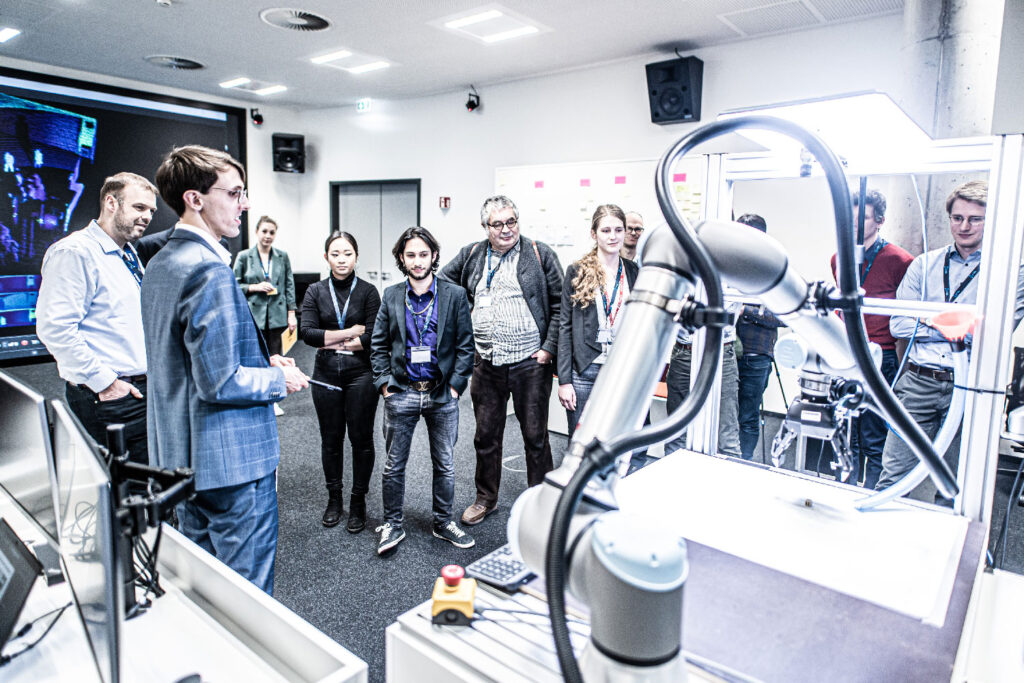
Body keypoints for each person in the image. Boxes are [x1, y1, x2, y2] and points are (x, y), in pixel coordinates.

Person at [142, 145, 308, 593]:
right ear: (195, 199)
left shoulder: (159, 262)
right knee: (246, 595)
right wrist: (280, 378)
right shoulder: (209, 269)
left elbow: (184, 359)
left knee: (202, 588)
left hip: (182, 459)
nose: (245, 204)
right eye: (234, 193)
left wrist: (262, 359)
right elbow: (220, 381)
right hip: (230, 463)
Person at [876, 180, 1024, 497]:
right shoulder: (924, 265)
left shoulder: (1010, 273)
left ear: (992, 220)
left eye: (975, 219)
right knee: (893, 479)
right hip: (918, 383)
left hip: (971, 387)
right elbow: (899, 325)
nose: (964, 226)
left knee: (957, 488)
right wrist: (950, 326)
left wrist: (927, 322)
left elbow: (993, 335)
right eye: (957, 218)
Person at [440, 195, 564, 527]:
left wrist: (549, 348)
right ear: (486, 227)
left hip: (530, 362)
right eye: (498, 224)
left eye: (512, 222)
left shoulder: (540, 254)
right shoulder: (472, 255)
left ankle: (541, 500)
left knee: (535, 436)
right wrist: (465, 322)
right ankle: (486, 499)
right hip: (487, 362)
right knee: (486, 436)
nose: (507, 229)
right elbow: (443, 284)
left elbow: (559, 304)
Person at [36, 172, 156, 464]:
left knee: (149, 483)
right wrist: (105, 383)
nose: (148, 217)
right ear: (111, 203)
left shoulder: (127, 254)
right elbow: (56, 328)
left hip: (138, 390)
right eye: (139, 208)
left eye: (151, 211)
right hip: (109, 395)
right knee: (131, 489)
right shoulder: (75, 252)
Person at [370, 226, 476, 554]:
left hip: (442, 394)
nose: (418, 261)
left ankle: (443, 522)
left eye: (423, 254)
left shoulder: (454, 295)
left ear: (433, 256)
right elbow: (378, 345)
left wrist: (456, 388)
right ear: (401, 258)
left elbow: (465, 347)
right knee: (394, 464)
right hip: (402, 392)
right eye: (411, 255)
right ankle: (393, 524)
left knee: (444, 463)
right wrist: (386, 386)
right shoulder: (390, 295)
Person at [828, 191, 912, 488]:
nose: (853, 224)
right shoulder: (839, 258)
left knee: (873, 435)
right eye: (848, 218)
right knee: (842, 430)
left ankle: (870, 495)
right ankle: (842, 491)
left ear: (879, 221)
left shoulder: (900, 261)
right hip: (845, 353)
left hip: (880, 356)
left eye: (861, 218)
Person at [299, 231, 381, 532]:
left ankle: (358, 500)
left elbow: (373, 336)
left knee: (361, 439)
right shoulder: (315, 291)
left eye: (347, 253)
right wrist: (351, 332)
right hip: (325, 375)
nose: (342, 259)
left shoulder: (369, 292)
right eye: (335, 253)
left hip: (361, 373)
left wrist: (330, 338)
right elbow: (307, 334)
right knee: (331, 440)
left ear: (356, 256)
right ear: (326, 257)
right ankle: (335, 499)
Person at [558, 204, 639, 436]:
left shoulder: (634, 271)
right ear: (594, 234)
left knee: (617, 439)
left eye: (618, 230)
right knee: (581, 441)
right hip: (585, 369)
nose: (613, 236)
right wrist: (564, 381)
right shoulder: (577, 271)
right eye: (605, 230)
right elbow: (565, 327)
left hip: (621, 368)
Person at [733, 213, 785, 461]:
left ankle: (744, 463)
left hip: (756, 356)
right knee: (726, 415)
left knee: (748, 416)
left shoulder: (773, 271)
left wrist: (747, 311)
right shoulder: (731, 266)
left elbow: (784, 316)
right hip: (727, 352)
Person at [233, 216, 297, 357]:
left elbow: (289, 285)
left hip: (277, 315)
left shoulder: (282, 256)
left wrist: (291, 314)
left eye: (272, 232)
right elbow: (234, 286)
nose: (268, 236)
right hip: (254, 315)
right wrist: (255, 287)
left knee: (276, 357)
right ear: (257, 232)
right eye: (264, 231)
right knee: (255, 356)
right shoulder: (244, 256)